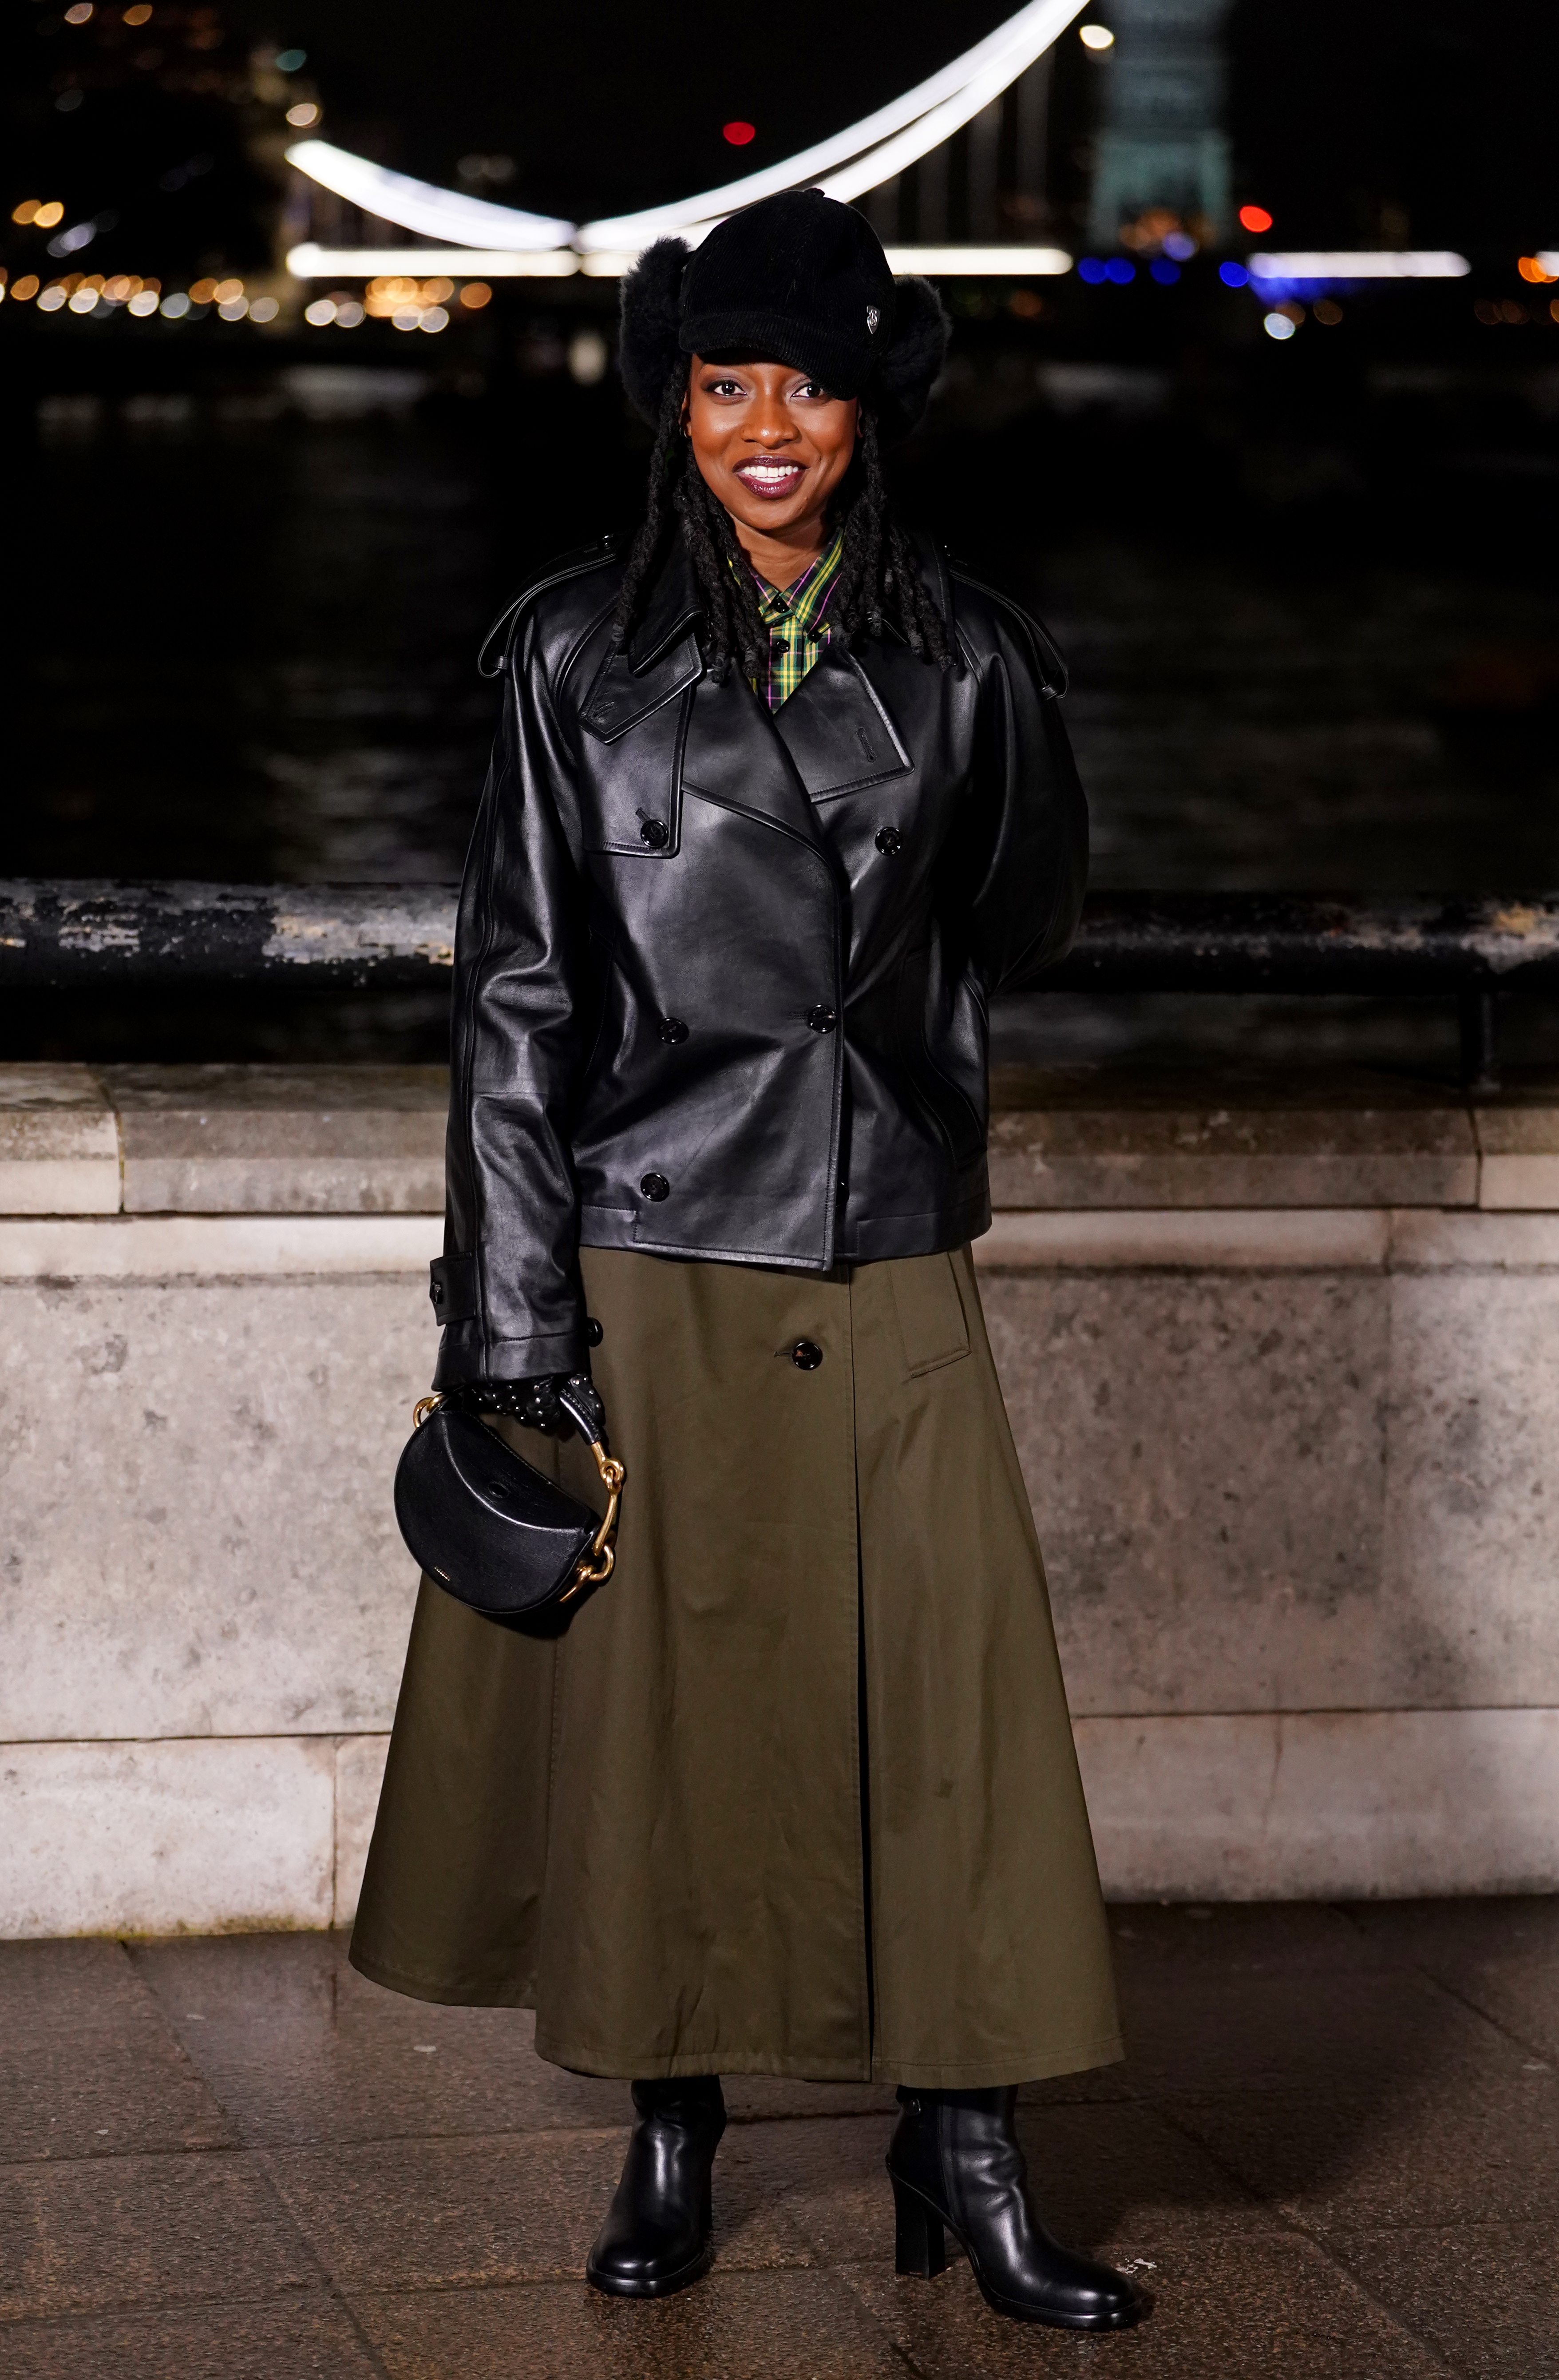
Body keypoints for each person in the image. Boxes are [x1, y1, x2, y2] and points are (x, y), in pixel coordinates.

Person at [351, 190, 1143, 2335]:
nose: (765, 424)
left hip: (881, 1235)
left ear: (871, 404)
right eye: (724, 384)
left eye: (804, 381)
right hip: (647, 1244)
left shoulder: (965, 648)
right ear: (674, 411)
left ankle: (964, 2144)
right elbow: (516, 1001)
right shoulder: (565, 652)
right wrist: (510, 1329)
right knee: (661, 1727)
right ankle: (671, 2127)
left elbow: (1025, 905)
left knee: (951, 1704)